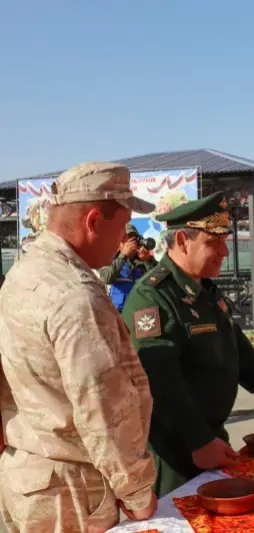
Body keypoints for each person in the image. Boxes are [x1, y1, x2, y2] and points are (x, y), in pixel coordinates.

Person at [0, 162, 158, 532]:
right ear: (92, 221)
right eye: (120, 227)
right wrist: (136, 492)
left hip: (28, 476)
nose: (124, 239)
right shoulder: (75, 295)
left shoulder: (22, 274)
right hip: (72, 490)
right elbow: (103, 408)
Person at [123, 192, 254, 497]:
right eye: (213, 243)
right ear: (182, 241)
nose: (225, 252)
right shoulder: (153, 296)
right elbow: (158, 381)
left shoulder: (205, 289)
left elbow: (236, 345)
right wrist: (197, 441)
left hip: (210, 438)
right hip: (175, 450)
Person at [99, 223, 158, 311]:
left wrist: (147, 260)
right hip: (120, 312)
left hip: (143, 312)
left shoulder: (145, 259)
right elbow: (107, 279)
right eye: (127, 239)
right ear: (119, 244)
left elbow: (158, 281)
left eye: (134, 238)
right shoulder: (110, 260)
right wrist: (123, 256)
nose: (131, 242)